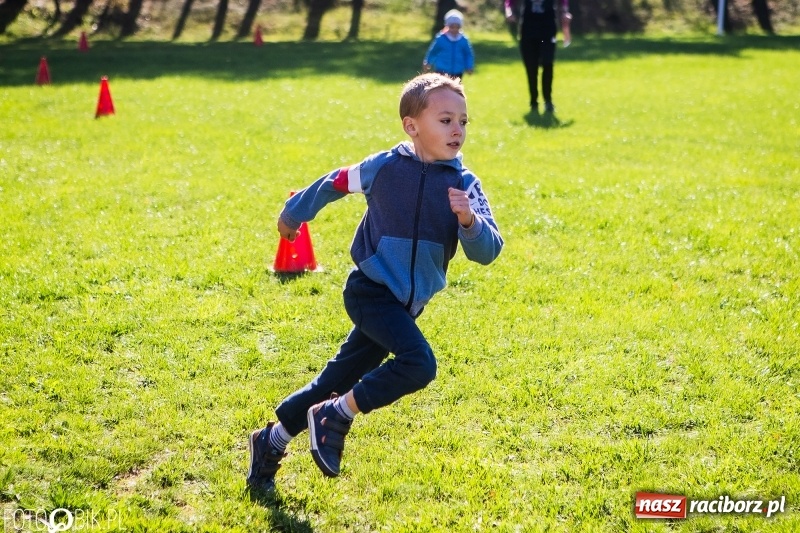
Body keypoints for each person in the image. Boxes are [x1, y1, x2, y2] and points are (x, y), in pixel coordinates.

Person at [247, 73, 503, 491]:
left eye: (463, 120)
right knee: (418, 364)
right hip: (369, 291)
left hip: (405, 306)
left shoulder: (464, 185)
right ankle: (336, 415)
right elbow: (336, 181)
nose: (457, 129)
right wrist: (295, 212)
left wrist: (469, 221)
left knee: (333, 381)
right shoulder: (384, 167)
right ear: (412, 125)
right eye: (445, 120)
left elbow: (488, 252)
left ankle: (271, 441)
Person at [505, 0, 571, 113]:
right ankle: (533, 101)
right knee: (531, 66)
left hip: (547, 29)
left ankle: (548, 100)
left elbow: (563, 2)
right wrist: (509, 11)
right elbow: (509, 2)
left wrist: (565, 12)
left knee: (547, 63)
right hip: (528, 29)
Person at [422, 9, 475, 80]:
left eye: (457, 27)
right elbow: (433, 51)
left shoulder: (463, 40)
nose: (454, 29)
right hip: (442, 70)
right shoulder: (441, 38)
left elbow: (468, 54)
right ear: (447, 26)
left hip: (457, 71)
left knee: (455, 89)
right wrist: (428, 62)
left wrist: (469, 66)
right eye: (452, 27)